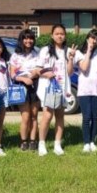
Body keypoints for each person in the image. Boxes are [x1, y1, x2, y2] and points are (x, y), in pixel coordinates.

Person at [35, 24, 74, 157]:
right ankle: (42, 143)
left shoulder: (68, 51)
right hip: (48, 88)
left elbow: (69, 72)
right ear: (52, 35)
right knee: (47, 116)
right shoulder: (45, 50)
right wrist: (46, 74)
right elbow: (37, 69)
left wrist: (72, 58)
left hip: (63, 88)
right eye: (57, 33)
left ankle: (57, 144)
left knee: (60, 116)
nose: (59, 36)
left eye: (62, 33)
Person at [73, 29, 97, 153]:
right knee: (86, 118)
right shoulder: (78, 53)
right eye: (92, 38)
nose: (94, 41)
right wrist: (88, 50)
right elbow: (84, 68)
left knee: (95, 117)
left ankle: (93, 141)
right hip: (84, 90)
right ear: (87, 38)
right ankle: (86, 143)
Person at [9, 29, 40, 151]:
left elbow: (41, 69)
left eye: (31, 38)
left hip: (35, 84)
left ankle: (33, 141)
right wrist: (23, 78)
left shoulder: (37, 52)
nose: (28, 41)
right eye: (26, 38)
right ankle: (23, 141)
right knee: (26, 116)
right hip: (21, 86)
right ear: (21, 40)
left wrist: (35, 74)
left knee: (34, 115)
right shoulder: (16, 55)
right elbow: (12, 74)